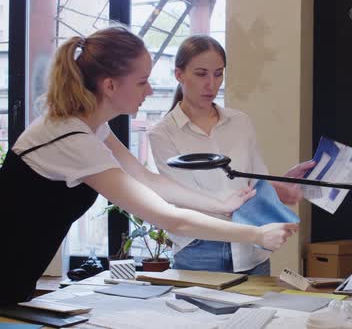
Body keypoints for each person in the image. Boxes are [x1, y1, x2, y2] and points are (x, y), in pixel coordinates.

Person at [0, 27, 298, 305]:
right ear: (110, 85)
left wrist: (218, 204)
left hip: (17, 276)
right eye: (142, 82)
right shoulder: (71, 137)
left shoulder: (89, 126)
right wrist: (255, 234)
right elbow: (169, 218)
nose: (151, 91)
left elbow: (146, 178)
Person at [148, 35, 315, 275]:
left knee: (258, 312)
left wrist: (283, 184)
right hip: (199, 248)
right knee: (198, 314)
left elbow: (255, 182)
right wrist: (258, 195)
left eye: (218, 73)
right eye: (201, 74)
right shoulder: (163, 133)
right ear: (179, 75)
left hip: (250, 247)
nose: (211, 84)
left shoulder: (240, 122)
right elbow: (188, 200)